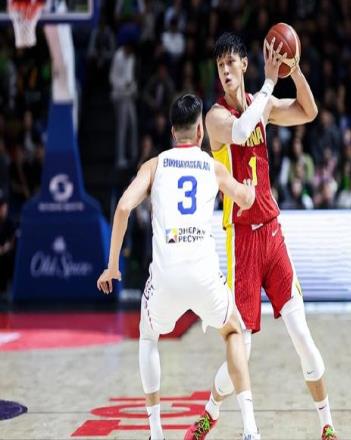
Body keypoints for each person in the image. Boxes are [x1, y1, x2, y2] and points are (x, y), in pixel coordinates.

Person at [185, 33, 338, 440]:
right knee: (244, 348)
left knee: (301, 334)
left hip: (272, 232)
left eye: (230, 63)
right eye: (219, 66)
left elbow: (309, 111)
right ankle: (212, 409)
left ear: (244, 65)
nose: (225, 71)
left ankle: (327, 425)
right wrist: (270, 83)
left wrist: (295, 70)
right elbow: (239, 132)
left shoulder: (262, 103)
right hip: (241, 240)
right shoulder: (215, 118)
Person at [97, 94, 261, 440]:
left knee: (148, 336)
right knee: (235, 333)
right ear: (200, 131)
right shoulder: (212, 166)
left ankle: (157, 432)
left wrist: (112, 267)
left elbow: (123, 209)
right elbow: (245, 200)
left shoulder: (154, 166)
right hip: (204, 276)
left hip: (166, 279)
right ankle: (250, 428)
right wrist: (249, 189)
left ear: (173, 132)